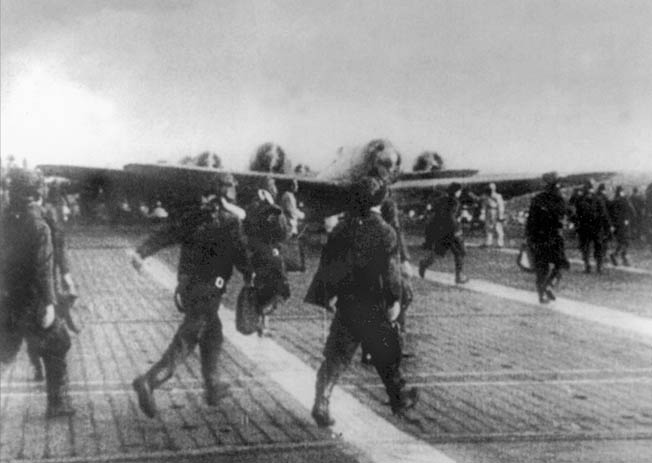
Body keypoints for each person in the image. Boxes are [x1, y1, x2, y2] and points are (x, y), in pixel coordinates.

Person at [130, 173, 251, 418]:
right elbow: (241, 257)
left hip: (187, 289)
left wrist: (142, 252)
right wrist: (252, 277)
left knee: (213, 334)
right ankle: (149, 381)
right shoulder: (230, 222)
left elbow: (165, 235)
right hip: (209, 292)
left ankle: (213, 386)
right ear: (228, 193)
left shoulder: (193, 216)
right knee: (187, 341)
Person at [307, 177, 418, 427]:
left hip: (347, 303)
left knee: (335, 358)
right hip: (375, 304)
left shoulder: (342, 228)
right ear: (380, 199)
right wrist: (394, 302)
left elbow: (329, 264)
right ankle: (399, 398)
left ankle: (321, 402)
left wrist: (329, 295)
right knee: (386, 354)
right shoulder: (385, 231)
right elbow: (391, 272)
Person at [1, 168, 75, 418]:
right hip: (32, 300)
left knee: (5, 351)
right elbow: (43, 269)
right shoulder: (39, 226)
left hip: (6, 298)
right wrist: (50, 304)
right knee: (58, 343)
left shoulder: (4, 219)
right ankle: (58, 404)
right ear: (35, 191)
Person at [26, 182, 78, 382]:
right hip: (44, 286)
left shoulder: (7, 217)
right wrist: (65, 276)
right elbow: (58, 247)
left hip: (18, 290)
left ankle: (38, 368)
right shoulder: (45, 218)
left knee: (31, 332)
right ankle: (57, 392)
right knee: (57, 337)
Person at [243, 177, 292, 337]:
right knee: (280, 289)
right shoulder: (271, 210)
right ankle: (263, 319)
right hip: (269, 256)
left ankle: (262, 323)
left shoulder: (251, 208)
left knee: (261, 288)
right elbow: (283, 232)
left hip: (253, 254)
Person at [525, 172, 570, 303]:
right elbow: (566, 213)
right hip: (555, 237)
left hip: (538, 238)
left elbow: (530, 221)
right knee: (560, 264)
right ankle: (550, 285)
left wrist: (528, 237)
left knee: (541, 268)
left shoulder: (537, 199)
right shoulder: (560, 199)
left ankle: (541, 294)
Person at [419, 182, 469, 284]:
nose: (460, 193)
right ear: (456, 192)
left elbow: (434, 212)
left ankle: (424, 263)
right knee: (460, 252)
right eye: (459, 191)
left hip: (441, 230)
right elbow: (451, 217)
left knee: (438, 252)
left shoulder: (441, 200)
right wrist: (457, 229)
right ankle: (459, 276)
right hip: (452, 230)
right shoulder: (455, 202)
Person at [574, 179, 613, 274]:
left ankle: (588, 266)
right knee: (598, 247)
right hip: (596, 226)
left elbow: (577, 215)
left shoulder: (580, 199)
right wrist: (609, 225)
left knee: (585, 248)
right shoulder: (597, 198)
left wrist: (577, 225)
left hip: (585, 227)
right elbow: (604, 213)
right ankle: (599, 267)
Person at [609, 186, 636, 266]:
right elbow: (632, 211)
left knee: (621, 241)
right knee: (626, 241)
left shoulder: (614, 200)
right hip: (625, 224)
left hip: (617, 225)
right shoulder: (625, 200)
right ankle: (622, 257)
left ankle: (616, 255)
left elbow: (611, 213)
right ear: (622, 192)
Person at [480, 183, 505, 247]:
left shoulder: (498, 196)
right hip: (488, 212)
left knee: (498, 228)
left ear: (494, 188)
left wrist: (500, 215)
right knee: (488, 227)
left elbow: (501, 206)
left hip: (495, 211)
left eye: (492, 188)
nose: (490, 189)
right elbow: (484, 206)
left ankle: (500, 243)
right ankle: (488, 242)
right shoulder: (486, 196)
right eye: (489, 188)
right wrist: (482, 214)